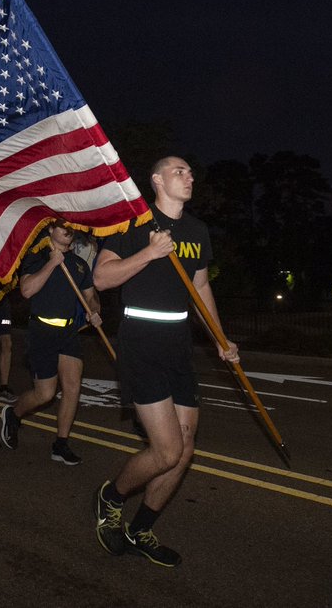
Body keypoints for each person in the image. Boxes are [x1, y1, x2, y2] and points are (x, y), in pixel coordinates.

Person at [90, 156, 239, 568]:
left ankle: (140, 529)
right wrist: (149, 253)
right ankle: (112, 496)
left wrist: (220, 338)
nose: (190, 177)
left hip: (178, 344)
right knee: (167, 450)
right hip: (141, 340)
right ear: (156, 180)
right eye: (180, 172)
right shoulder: (130, 224)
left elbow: (201, 286)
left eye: (192, 172)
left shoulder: (196, 231)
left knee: (185, 450)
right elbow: (102, 279)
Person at [0, 222, 102, 465]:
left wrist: (94, 311)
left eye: (71, 226)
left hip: (69, 332)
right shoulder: (37, 256)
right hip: (41, 330)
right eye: (62, 226)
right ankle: (13, 414)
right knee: (45, 394)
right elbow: (26, 290)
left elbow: (91, 297)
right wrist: (52, 263)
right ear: (50, 230)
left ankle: (61, 443)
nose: (68, 230)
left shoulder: (80, 264)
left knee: (72, 387)